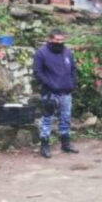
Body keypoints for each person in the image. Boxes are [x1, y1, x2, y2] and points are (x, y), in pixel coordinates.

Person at [32, 29, 79, 158]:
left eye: (62, 40)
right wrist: (50, 84)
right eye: (57, 40)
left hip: (66, 92)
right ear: (50, 39)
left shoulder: (67, 52)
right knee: (47, 119)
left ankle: (66, 143)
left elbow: (73, 70)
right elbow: (38, 72)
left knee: (66, 118)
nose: (60, 42)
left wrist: (72, 84)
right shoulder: (41, 53)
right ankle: (44, 145)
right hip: (50, 92)